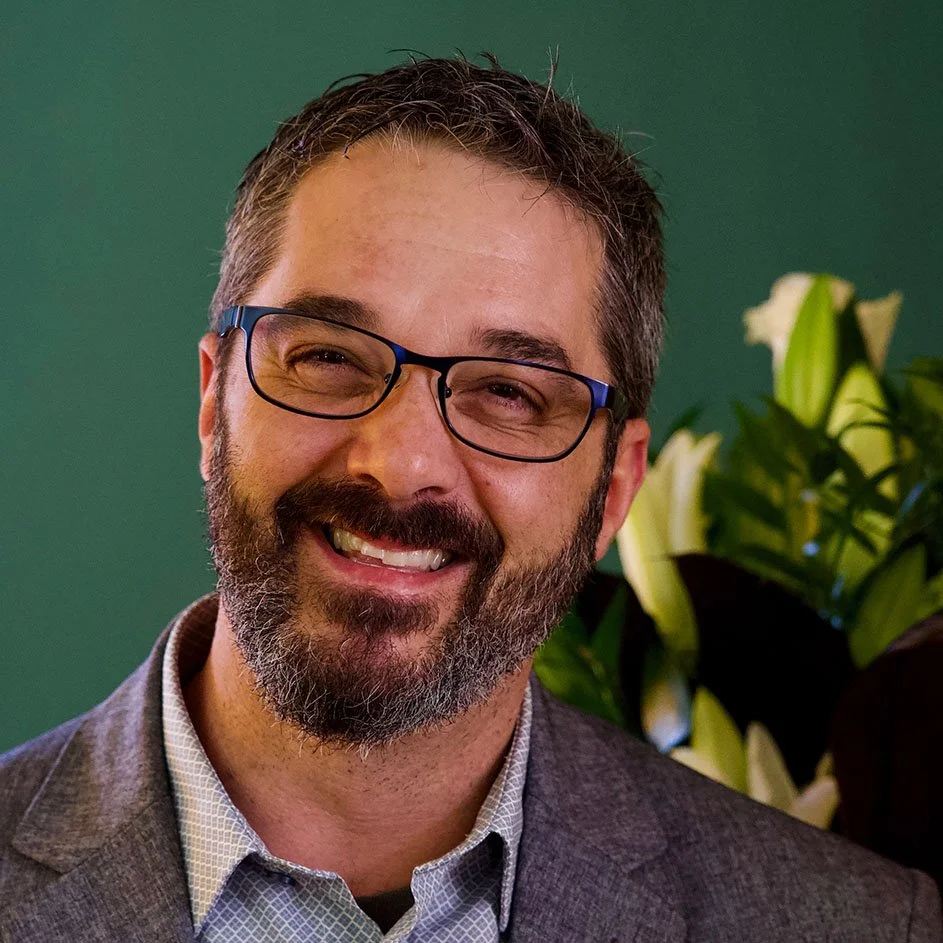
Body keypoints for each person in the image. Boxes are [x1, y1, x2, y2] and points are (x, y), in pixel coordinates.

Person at [0, 56, 939, 943]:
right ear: (214, 402)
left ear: (613, 490)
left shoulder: (847, 922)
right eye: (328, 355)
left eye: (510, 394)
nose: (402, 462)